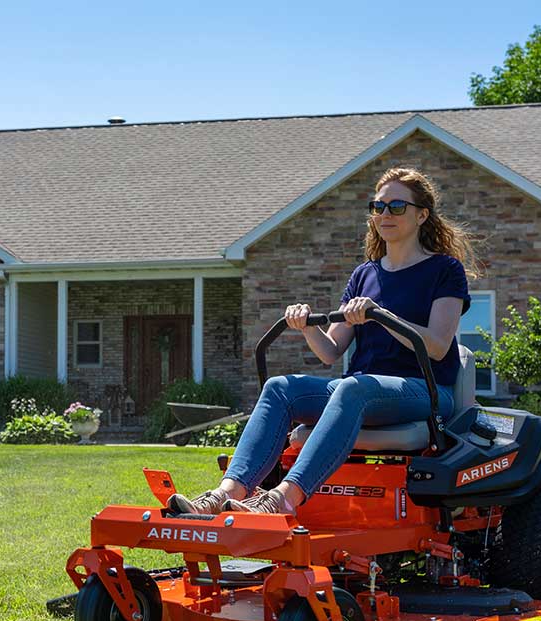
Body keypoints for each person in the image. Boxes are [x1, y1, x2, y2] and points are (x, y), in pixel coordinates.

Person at [169, 167, 476, 515]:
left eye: (396, 207)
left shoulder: (444, 270)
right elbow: (330, 352)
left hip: (427, 391)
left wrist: (383, 315)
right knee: (279, 387)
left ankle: (283, 499)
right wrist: (306, 326)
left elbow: (436, 346)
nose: (385, 214)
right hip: (363, 391)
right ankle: (225, 494)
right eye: (378, 207)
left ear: (422, 214)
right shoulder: (364, 275)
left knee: (353, 388)